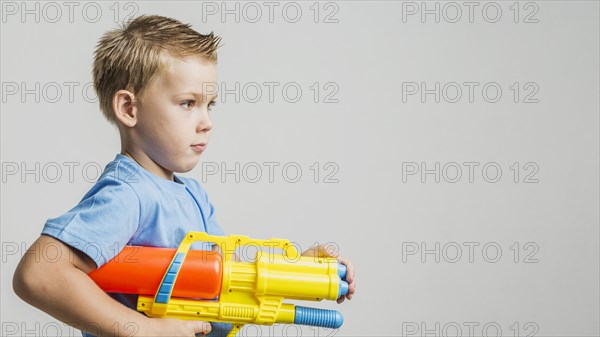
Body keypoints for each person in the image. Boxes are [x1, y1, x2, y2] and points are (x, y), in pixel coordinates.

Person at [12, 14, 355, 337]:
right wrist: (143, 329)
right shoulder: (128, 193)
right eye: (188, 103)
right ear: (129, 109)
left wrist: (302, 269)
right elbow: (40, 273)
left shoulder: (191, 195)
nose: (206, 121)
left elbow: (231, 282)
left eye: (210, 105)